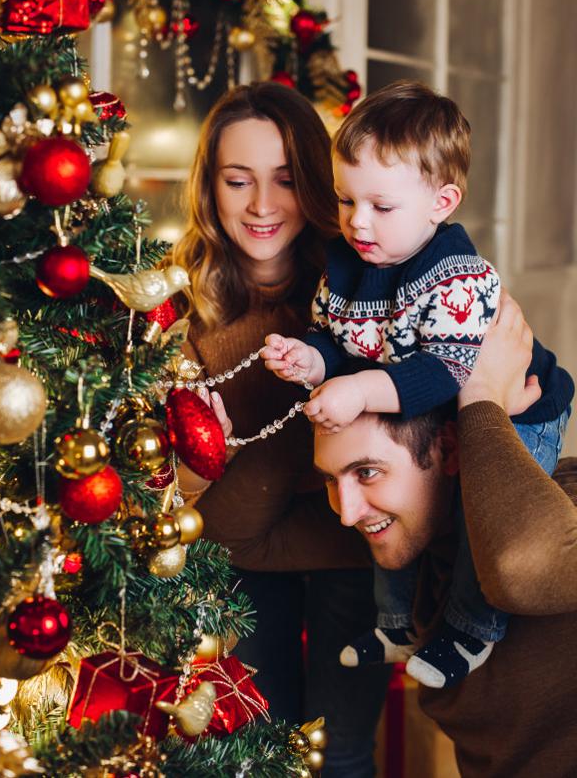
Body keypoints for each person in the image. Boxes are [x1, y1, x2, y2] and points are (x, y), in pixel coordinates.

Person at [263, 80, 573, 687]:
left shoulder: (457, 276)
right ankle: (397, 625)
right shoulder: (349, 266)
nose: (358, 222)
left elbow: (444, 373)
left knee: (481, 518)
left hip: (517, 412)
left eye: (381, 206)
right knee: (391, 507)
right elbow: (339, 340)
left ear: (442, 201)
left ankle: (470, 632)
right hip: (433, 417)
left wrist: (358, 391)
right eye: (347, 201)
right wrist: (312, 360)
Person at [171, 81, 391, 777]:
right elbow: (205, 509)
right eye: (239, 180)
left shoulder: (362, 287)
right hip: (235, 567)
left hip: (355, 553)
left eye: (287, 181)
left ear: (317, 187)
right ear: (210, 187)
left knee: (341, 752)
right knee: (254, 755)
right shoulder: (178, 307)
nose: (262, 206)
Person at [313, 291, 577, 777]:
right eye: (332, 479)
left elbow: (517, 570)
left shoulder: (563, 510)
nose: (346, 513)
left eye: (367, 472)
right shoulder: (420, 570)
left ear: (451, 451)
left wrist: (481, 398)